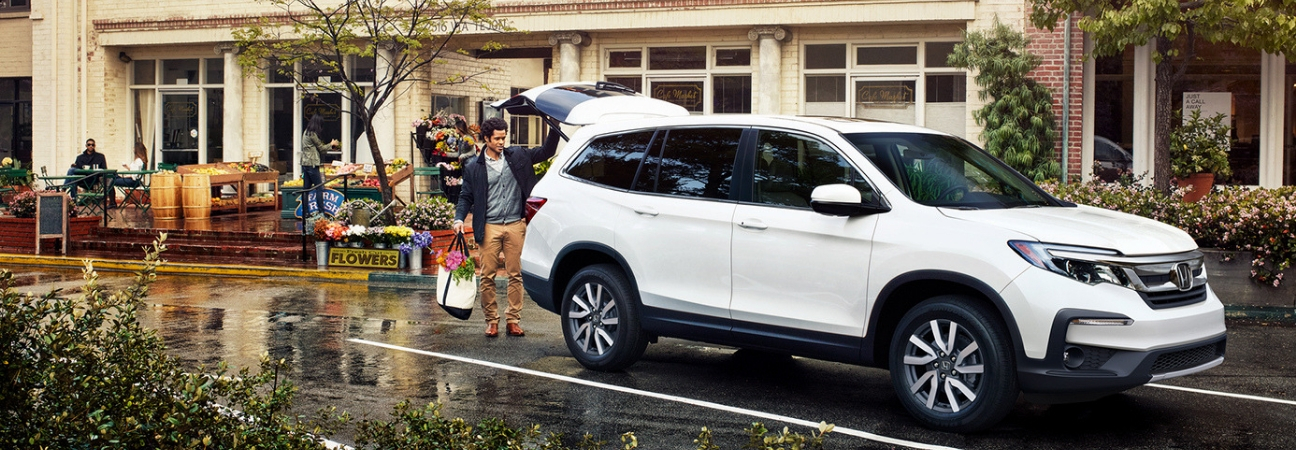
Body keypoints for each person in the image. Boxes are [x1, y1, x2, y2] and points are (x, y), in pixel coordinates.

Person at [454, 117, 560, 337]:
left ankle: (513, 320)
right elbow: (465, 196)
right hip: (489, 226)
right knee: (487, 276)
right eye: (497, 138)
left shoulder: (518, 156)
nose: (502, 142)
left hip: (515, 224)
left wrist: (555, 128)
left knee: (515, 275)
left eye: (504, 137)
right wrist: (458, 219)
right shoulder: (474, 166)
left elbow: (546, 152)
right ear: (486, 139)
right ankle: (492, 321)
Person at [300, 114, 335, 217]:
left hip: (305, 163)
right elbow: (321, 148)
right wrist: (331, 144)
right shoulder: (312, 134)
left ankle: (305, 212)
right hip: (312, 164)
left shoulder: (306, 132)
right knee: (319, 188)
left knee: (306, 189)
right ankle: (321, 212)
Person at [108, 142, 149, 208]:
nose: (133, 149)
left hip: (134, 182)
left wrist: (124, 176)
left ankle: (112, 202)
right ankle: (111, 201)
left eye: (134, 148)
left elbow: (135, 176)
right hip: (133, 180)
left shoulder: (138, 161)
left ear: (137, 149)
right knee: (112, 176)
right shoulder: (139, 160)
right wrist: (127, 167)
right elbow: (135, 171)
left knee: (111, 180)